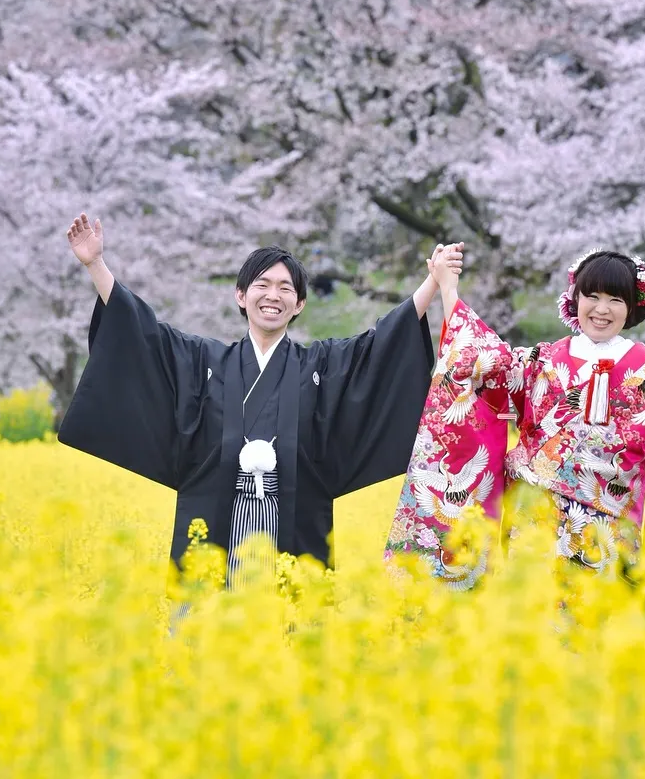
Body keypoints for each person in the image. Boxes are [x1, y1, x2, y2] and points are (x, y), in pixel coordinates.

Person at [58, 213, 441, 587]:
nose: (273, 296)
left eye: (286, 288)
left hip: (293, 525)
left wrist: (432, 282)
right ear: (241, 295)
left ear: (299, 304)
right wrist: (96, 265)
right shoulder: (203, 360)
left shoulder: (321, 366)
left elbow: (379, 347)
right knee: (208, 619)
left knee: (291, 618)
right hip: (214, 523)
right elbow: (144, 335)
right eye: (262, 285)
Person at [388, 244, 645, 602]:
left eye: (615, 300)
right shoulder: (542, 361)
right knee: (530, 624)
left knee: (596, 627)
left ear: (632, 307)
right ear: (576, 299)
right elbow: (477, 359)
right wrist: (448, 287)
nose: (602, 309)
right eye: (593, 296)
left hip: (607, 531)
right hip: (532, 524)